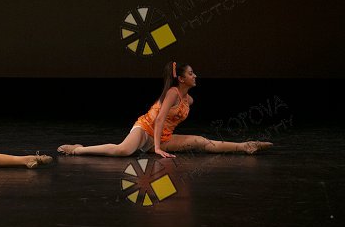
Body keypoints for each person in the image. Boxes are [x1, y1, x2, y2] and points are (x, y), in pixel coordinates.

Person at [57, 62, 273, 158]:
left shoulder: (189, 99)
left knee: (201, 141)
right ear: (181, 79)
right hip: (146, 129)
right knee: (123, 151)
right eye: (191, 73)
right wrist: (158, 148)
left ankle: (246, 146)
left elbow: (169, 123)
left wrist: (161, 144)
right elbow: (159, 119)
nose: (195, 75)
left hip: (164, 136)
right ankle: (77, 150)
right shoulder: (172, 93)